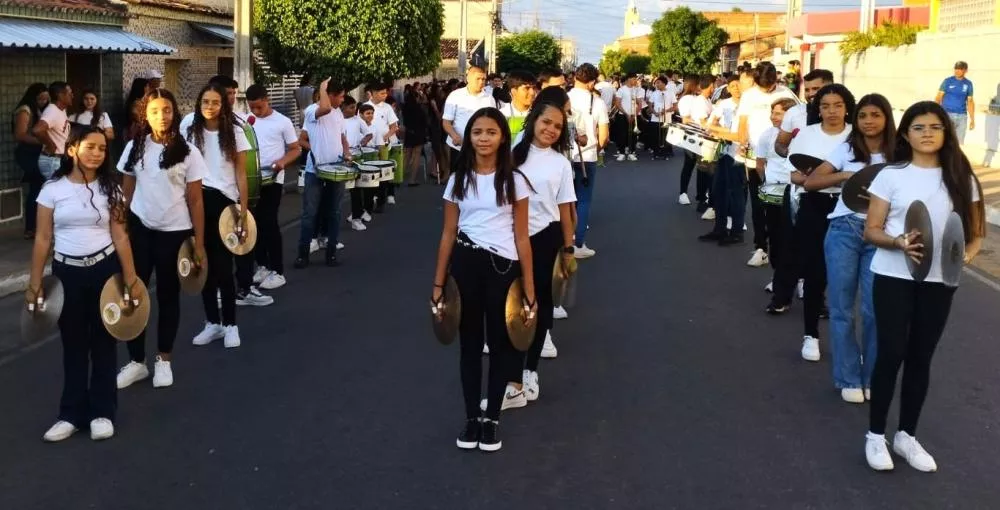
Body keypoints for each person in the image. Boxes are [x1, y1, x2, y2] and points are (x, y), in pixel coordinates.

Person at [862, 100, 985, 473]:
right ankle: (875, 436)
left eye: (935, 126)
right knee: (891, 353)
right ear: (905, 134)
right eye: (919, 127)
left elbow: (975, 231)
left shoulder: (961, 176)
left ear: (946, 133)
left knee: (921, 357)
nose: (927, 133)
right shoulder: (891, 175)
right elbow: (872, 230)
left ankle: (906, 436)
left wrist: (968, 253)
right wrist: (899, 243)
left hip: (940, 280)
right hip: (893, 275)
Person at [431, 108, 536, 453]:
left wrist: (530, 290)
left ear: (503, 137)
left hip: (504, 269)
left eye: (491, 132)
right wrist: (438, 283)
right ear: (469, 137)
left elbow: (523, 238)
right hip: (464, 264)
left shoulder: (515, 181)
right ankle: (471, 418)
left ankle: (492, 417)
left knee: (502, 343)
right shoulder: (457, 180)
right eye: (477, 132)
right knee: (470, 345)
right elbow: (448, 233)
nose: (484, 138)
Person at [30, 125, 141, 442]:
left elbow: (121, 236)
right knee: (74, 344)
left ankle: (103, 412)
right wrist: (34, 281)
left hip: (105, 270)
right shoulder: (52, 189)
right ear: (72, 149)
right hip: (67, 273)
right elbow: (42, 238)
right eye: (90, 146)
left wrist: (131, 280)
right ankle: (71, 414)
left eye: (102, 148)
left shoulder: (112, 189)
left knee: (105, 341)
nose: (97, 153)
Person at [803, 93, 895, 403]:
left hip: (881, 236)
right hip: (843, 229)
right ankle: (847, 377)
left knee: (874, 311)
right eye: (863, 115)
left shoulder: (900, 154)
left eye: (875, 115)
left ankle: (871, 376)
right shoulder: (846, 149)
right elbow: (811, 182)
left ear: (886, 118)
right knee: (842, 309)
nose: (869, 121)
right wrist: (845, 176)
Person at [116, 89, 207, 390]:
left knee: (168, 297)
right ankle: (136, 362)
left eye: (167, 110)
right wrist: (122, 227)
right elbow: (126, 189)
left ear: (174, 112)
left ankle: (164, 360)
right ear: (146, 114)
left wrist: (200, 244)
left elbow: (195, 201)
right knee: (135, 295)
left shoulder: (188, 152)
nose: (162, 116)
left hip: (176, 234)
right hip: (141, 231)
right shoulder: (134, 147)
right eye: (155, 111)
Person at [506, 98, 576, 407]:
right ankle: (510, 375)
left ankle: (529, 372)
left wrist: (569, 247)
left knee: (541, 305)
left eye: (558, 126)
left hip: (546, 238)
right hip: (509, 239)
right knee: (510, 303)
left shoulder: (561, 163)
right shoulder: (511, 154)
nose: (551, 129)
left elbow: (565, 209)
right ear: (534, 119)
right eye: (546, 122)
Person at [786, 84, 855, 362]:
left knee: (846, 277)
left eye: (837, 105)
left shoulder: (857, 135)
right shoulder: (806, 135)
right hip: (814, 205)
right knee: (815, 272)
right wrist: (828, 179)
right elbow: (794, 176)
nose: (831, 111)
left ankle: (846, 342)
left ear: (847, 106)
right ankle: (811, 335)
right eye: (825, 106)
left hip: (850, 207)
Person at [182, 84, 251, 349]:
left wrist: (243, 212)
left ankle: (231, 325)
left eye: (215, 102)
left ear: (224, 105)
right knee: (202, 266)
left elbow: (241, 175)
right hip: (195, 202)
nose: (209, 107)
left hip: (224, 204)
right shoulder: (189, 131)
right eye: (205, 102)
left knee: (223, 269)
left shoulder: (235, 132)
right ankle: (213, 322)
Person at [245, 84, 300, 289]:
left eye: (259, 107)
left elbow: (295, 150)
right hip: (252, 181)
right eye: (252, 108)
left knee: (269, 223)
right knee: (254, 225)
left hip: (273, 179)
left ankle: (278, 271)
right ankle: (263, 266)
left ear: (267, 100)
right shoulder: (245, 121)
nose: (255, 112)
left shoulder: (282, 122)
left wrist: (282, 162)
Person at [295, 78, 352, 268]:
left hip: (336, 168)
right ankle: (303, 254)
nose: (343, 100)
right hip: (315, 171)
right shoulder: (312, 110)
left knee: (334, 212)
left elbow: (342, 137)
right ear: (330, 95)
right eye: (341, 96)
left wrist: (346, 152)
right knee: (310, 213)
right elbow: (324, 110)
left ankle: (331, 253)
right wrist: (322, 87)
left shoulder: (339, 115)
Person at [754, 98, 799, 300]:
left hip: (797, 194)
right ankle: (778, 277)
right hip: (773, 195)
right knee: (776, 238)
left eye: (778, 113)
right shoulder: (766, 135)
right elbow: (759, 164)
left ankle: (802, 280)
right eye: (772, 112)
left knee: (800, 239)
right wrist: (767, 184)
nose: (773, 116)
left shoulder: (802, 137)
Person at [568, 63, 610, 261]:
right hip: (588, 156)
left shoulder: (563, 97)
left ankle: (564, 241)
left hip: (564, 157)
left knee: (565, 201)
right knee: (583, 200)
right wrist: (597, 149)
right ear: (593, 81)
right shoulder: (598, 102)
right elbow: (604, 136)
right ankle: (578, 243)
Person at [442, 65, 498, 182]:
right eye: (478, 79)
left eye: (484, 79)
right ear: (469, 78)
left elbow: (494, 122)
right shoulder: (455, 96)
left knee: (479, 180)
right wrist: (454, 135)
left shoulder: (489, 98)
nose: (481, 82)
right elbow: (446, 122)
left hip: (481, 147)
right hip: (459, 147)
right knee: (458, 181)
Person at [12, 83, 50, 239]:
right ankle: (31, 227)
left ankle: (34, 227)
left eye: (45, 99)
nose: (43, 101)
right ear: (33, 97)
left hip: (37, 153)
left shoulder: (39, 110)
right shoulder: (25, 110)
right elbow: (20, 135)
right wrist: (44, 142)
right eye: (40, 98)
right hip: (27, 152)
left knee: (38, 187)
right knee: (36, 188)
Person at [775, 69, 833, 157]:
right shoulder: (794, 113)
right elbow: (780, 144)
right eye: (807, 90)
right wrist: (792, 155)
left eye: (816, 89)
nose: (810, 94)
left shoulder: (844, 113)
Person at [677, 75, 713, 212]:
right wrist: (701, 121)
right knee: (690, 164)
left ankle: (702, 196)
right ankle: (683, 193)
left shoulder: (704, 99)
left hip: (703, 136)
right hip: (692, 135)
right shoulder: (687, 99)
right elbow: (685, 119)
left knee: (702, 168)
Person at [341, 97, 375, 231]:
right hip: (339, 157)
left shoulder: (358, 120)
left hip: (355, 155)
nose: (354, 110)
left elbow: (369, 134)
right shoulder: (336, 119)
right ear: (342, 107)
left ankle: (356, 217)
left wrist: (362, 143)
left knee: (355, 189)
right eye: (351, 107)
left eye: (355, 107)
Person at [366, 83, 401, 208]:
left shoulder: (387, 108)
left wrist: (384, 137)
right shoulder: (366, 106)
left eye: (386, 93)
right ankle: (372, 197)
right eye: (382, 93)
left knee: (384, 171)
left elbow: (394, 127)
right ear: (373, 93)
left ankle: (384, 198)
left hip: (384, 145)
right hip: (370, 146)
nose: (385, 95)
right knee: (372, 171)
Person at [33, 81, 74, 180]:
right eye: (69, 93)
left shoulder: (61, 109)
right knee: (57, 192)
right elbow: (37, 130)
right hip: (52, 160)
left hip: (57, 159)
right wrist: (51, 145)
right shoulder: (52, 111)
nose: (72, 95)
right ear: (60, 96)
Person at [935, 61, 975, 144]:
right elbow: (939, 97)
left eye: (960, 69)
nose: (957, 71)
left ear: (965, 70)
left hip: (962, 117)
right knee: (945, 142)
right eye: (956, 69)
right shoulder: (947, 81)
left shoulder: (968, 84)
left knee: (959, 144)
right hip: (947, 114)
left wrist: (972, 119)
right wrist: (936, 113)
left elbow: (970, 101)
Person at [402, 86, 428, 186]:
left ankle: (400, 176)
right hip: (419, 132)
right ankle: (412, 179)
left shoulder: (405, 107)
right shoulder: (419, 109)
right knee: (416, 155)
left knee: (407, 155)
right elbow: (424, 121)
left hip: (409, 132)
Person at [499, 70, 536, 139]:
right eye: (527, 88)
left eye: (534, 88)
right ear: (514, 91)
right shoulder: (502, 115)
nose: (532, 93)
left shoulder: (539, 115)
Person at [613, 73, 642, 161]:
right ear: (629, 79)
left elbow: (639, 103)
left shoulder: (636, 90)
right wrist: (626, 114)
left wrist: (634, 115)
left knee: (633, 135)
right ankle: (621, 153)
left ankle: (631, 152)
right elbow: (617, 104)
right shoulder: (621, 90)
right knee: (622, 134)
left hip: (633, 116)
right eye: (634, 79)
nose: (635, 81)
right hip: (623, 115)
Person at [647, 75, 676, 160]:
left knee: (665, 136)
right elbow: (650, 104)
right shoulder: (654, 93)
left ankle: (665, 153)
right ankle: (656, 153)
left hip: (666, 119)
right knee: (655, 136)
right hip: (655, 118)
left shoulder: (670, 93)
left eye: (658, 83)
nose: (657, 85)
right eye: (656, 83)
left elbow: (675, 106)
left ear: (664, 83)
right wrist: (654, 111)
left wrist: (666, 111)